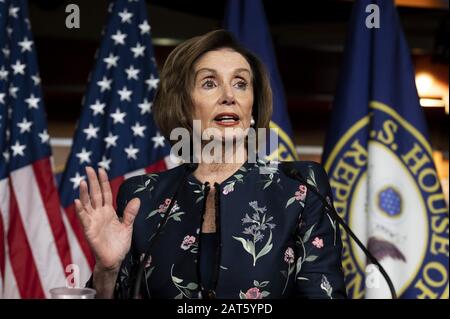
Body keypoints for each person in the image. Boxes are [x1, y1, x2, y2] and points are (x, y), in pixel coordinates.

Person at [77, 30, 346, 299]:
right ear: (183, 105)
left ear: (253, 107)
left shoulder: (299, 187)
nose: (229, 96)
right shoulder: (142, 196)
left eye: (240, 83)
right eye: (209, 83)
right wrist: (108, 269)